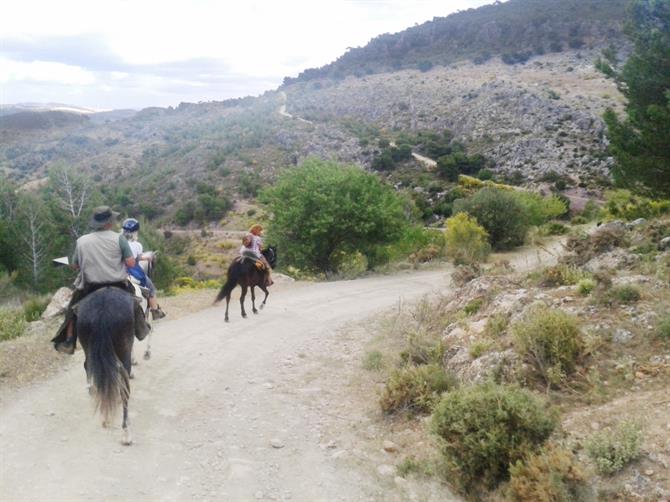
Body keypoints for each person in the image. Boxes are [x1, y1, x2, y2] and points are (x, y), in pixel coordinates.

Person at [52, 206, 151, 354]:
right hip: (118, 283)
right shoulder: (119, 239)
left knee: (72, 310)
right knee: (135, 300)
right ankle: (141, 328)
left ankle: (69, 339)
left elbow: (76, 265)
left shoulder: (81, 241)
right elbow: (130, 263)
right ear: (110, 222)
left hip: (90, 286)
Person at [121, 218, 166, 321]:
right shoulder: (137, 245)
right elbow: (138, 258)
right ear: (135, 232)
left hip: (119, 271)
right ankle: (155, 312)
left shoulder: (118, 242)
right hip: (132, 271)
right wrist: (149, 257)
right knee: (151, 288)